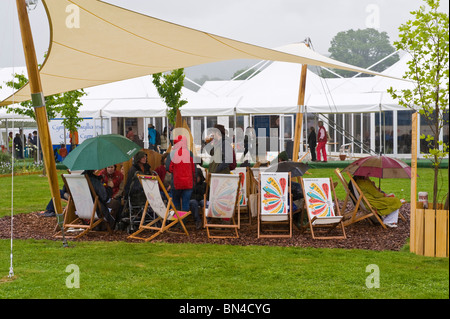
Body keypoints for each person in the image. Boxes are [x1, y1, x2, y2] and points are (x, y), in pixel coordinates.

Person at [167, 135, 196, 213]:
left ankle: (177, 222)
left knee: (176, 203)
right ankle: (183, 223)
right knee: (185, 204)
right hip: (188, 184)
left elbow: (168, 168)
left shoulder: (172, 153)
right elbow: (194, 169)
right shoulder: (190, 154)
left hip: (176, 184)